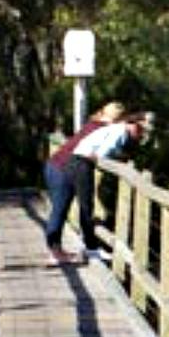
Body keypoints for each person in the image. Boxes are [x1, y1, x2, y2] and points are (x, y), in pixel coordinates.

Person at [43, 101, 125, 263]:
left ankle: (58, 250)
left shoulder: (93, 123)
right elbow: (99, 152)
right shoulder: (102, 128)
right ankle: (56, 252)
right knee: (60, 210)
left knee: (60, 210)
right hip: (63, 168)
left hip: (56, 165)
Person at [67, 111, 151, 262]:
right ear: (132, 125)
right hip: (82, 162)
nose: (140, 134)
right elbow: (101, 154)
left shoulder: (118, 130)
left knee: (86, 205)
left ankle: (87, 244)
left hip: (79, 161)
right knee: (86, 206)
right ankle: (91, 248)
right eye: (140, 130)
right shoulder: (119, 132)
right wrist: (119, 161)